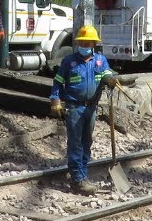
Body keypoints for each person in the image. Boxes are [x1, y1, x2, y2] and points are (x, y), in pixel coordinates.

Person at [48, 25, 117, 194]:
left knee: (87, 143)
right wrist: (55, 100)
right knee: (75, 144)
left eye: (88, 43)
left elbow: (108, 73)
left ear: (94, 44)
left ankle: (82, 175)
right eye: (82, 43)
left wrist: (109, 78)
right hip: (74, 108)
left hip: (91, 109)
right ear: (78, 43)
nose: (85, 46)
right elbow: (58, 82)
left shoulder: (100, 61)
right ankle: (77, 180)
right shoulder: (69, 61)